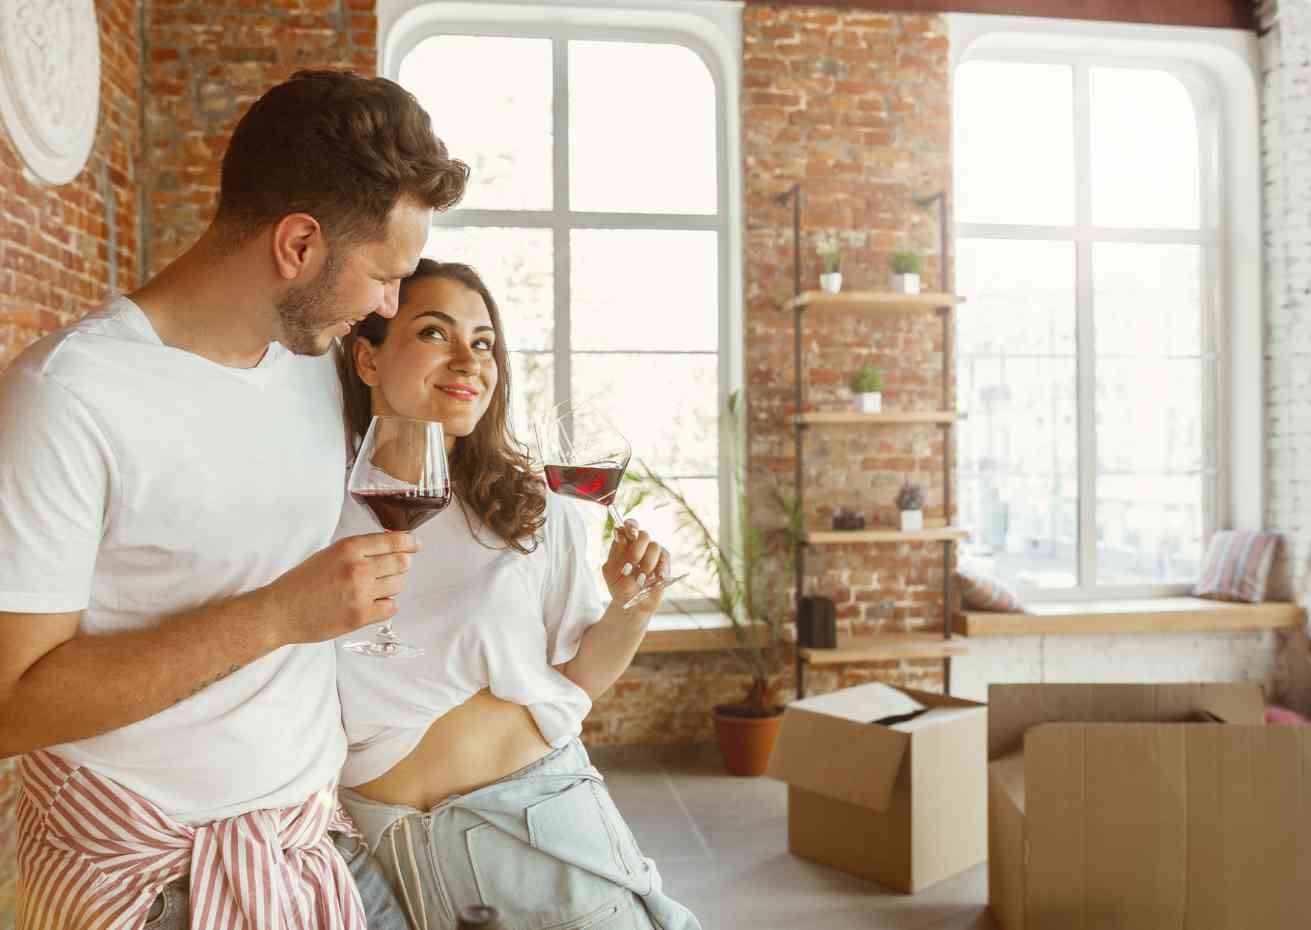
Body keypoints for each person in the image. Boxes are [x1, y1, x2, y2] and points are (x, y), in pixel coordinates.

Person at [0, 71, 469, 930]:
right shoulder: (68, 396)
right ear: (298, 244)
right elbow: (8, 702)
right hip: (148, 883)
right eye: (384, 276)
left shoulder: (313, 366)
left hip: (299, 852)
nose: (387, 307)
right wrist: (277, 617)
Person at [334, 259, 702, 930]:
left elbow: (579, 678)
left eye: (482, 343)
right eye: (434, 333)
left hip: (538, 829)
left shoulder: (531, 509)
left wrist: (632, 606)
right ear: (367, 359)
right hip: (391, 859)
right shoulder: (313, 514)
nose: (468, 360)